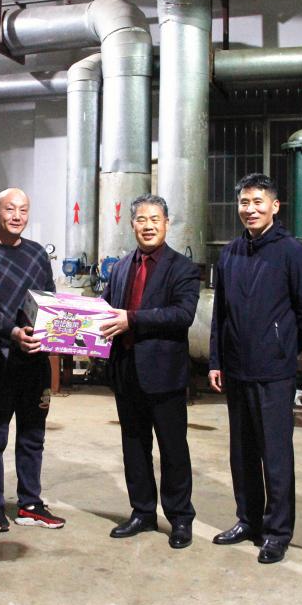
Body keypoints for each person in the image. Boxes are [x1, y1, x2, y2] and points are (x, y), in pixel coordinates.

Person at [207, 172, 302, 564]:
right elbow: (221, 313)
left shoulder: (292, 253)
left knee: (275, 455)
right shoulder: (230, 253)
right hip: (236, 369)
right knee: (242, 453)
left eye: (258, 202)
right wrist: (217, 360)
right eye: (244, 202)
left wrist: (282, 345)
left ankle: (277, 532)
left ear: (274, 205)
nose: (250, 209)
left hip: (273, 372)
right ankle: (248, 520)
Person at [100, 194, 200, 549]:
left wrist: (132, 319)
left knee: (173, 449)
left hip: (164, 374)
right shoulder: (121, 267)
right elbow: (105, 309)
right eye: (141, 219)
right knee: (134, 445)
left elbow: (182, 314)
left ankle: (180, 518)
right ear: (132, 225)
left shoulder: (183, 268)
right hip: (126, 371)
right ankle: (142, 512)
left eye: (155, 219)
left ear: (166, 223)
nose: (148, 226)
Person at [0, 188, 65, 532]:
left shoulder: (37, 253)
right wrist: (14, 332)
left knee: (33, 435)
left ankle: (30, 504)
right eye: (10, 209)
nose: (17, 216)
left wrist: (58, 334)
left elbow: (49, 299)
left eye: (23, 209)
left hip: (34, 360)